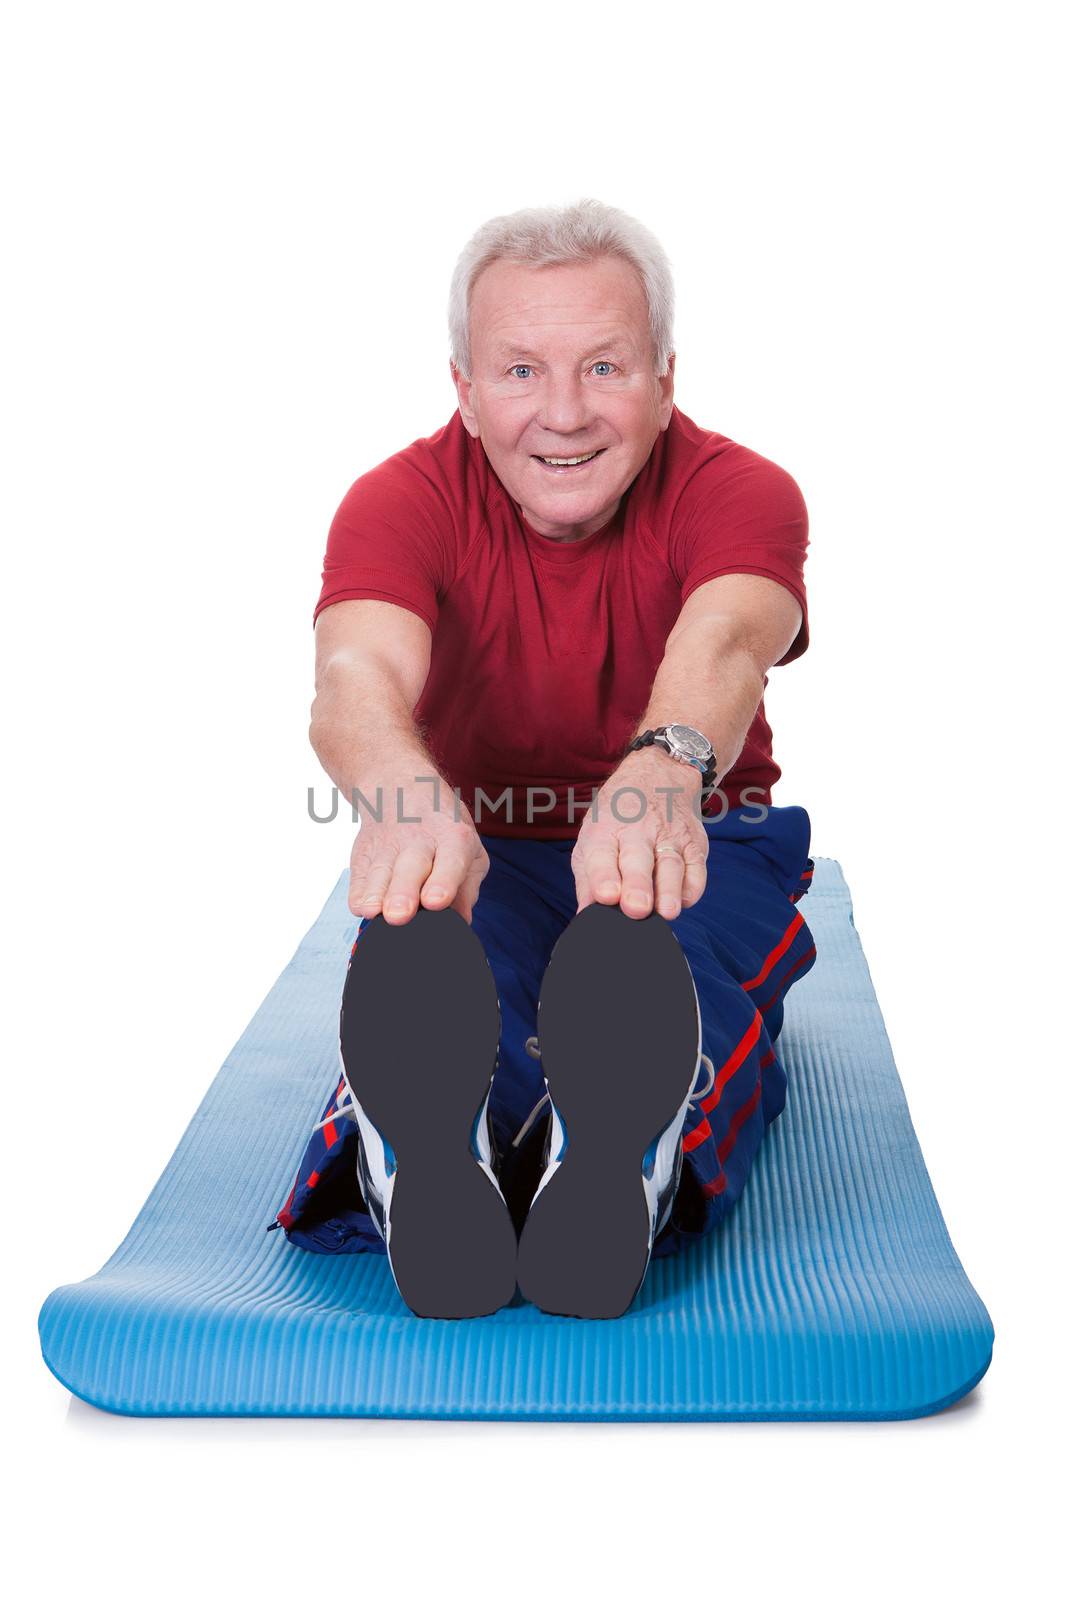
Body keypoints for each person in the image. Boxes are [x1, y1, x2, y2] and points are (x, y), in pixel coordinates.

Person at [269, 196, 817, 1319]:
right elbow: (352, 681)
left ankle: (619, 1155)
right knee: (452, 978)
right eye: (519, 372)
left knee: (666, 961)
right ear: (463, 391)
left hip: (705, 832)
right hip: (484, 847)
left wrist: (663, 769)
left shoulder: (740, 491)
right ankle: (435, 1155)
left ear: (664, 378)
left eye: (603, 366)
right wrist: (403, 794)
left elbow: (725, 636)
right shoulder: (397, 502)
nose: (562, 414)